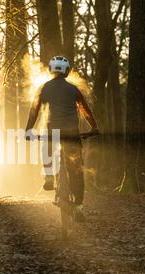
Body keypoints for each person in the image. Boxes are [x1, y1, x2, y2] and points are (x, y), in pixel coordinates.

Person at [25, 56, 99, 222]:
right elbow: (85, 110)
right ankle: (79, 207)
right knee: (77, 171)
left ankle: (49, 176)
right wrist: (94, 127)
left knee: (47, 143)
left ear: (52, 70)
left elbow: (34, 110)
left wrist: (28, 129)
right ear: (66, 71)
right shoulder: (73, 89)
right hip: (72, 133)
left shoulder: (44, 88)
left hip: (54, 132)